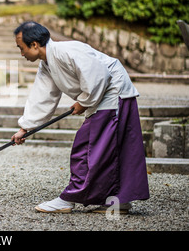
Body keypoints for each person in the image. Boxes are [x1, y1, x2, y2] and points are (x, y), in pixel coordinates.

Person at [11, 21, 150, 214]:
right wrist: (24, 128)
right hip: (101, 97)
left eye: (22, 48)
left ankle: (69, 198)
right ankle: (118, 201)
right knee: (109, 149)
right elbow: (42, 97)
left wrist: (84, 101)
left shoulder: (67, 50)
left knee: (86, 146)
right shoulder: (47, 64)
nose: (22, 53)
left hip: (112, 93)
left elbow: (99, 75)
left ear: (34, 44)